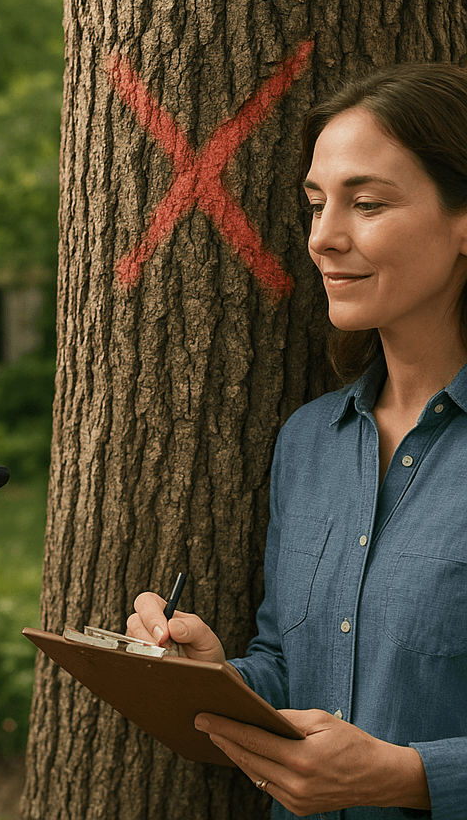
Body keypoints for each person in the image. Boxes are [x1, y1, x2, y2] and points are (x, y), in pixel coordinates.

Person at [128, 62, 467, 820]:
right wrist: (216, 679)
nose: (323, 238)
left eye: (367, 204)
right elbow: (294, 672)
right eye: (315, 205)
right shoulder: (310, 441)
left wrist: (413, 777)